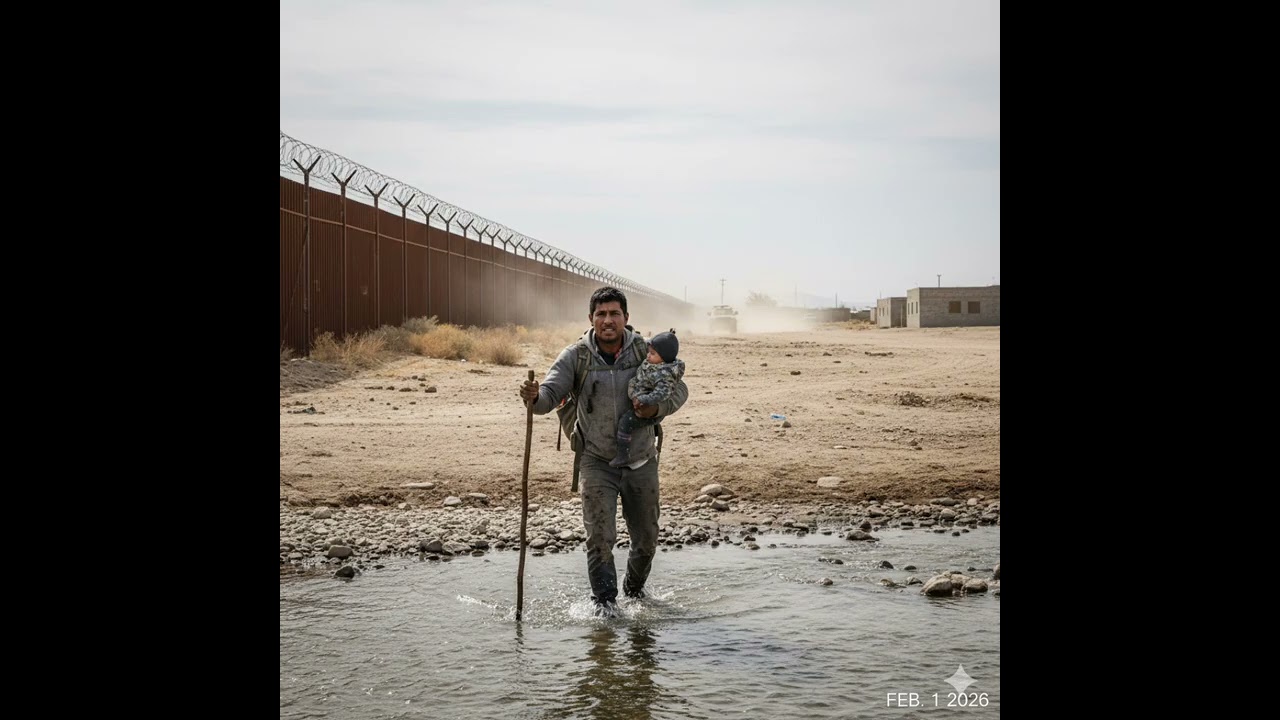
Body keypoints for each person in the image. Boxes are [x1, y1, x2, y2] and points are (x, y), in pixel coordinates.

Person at [518, 287, 689, 613]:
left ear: (626, 318)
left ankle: (633, 594)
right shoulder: (575, 356)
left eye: (614, 314)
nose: (608, 320)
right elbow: (548, 398)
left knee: (646, 541)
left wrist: (655, 410)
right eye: (601, 314)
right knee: (599, 539)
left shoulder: (644, 352)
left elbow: (679, 390)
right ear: (591, 319)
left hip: (641, 460)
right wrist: (533, 397)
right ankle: (605, 606)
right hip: (596, 462)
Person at [611, 329, 684, 468]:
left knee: (625, 423)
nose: (648, 356)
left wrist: (652, 406)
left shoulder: (664, 371)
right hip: (595, 449)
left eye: (652, 354)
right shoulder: (652, 359)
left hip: (641, 447)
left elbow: (676, 390)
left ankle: (623, 455)